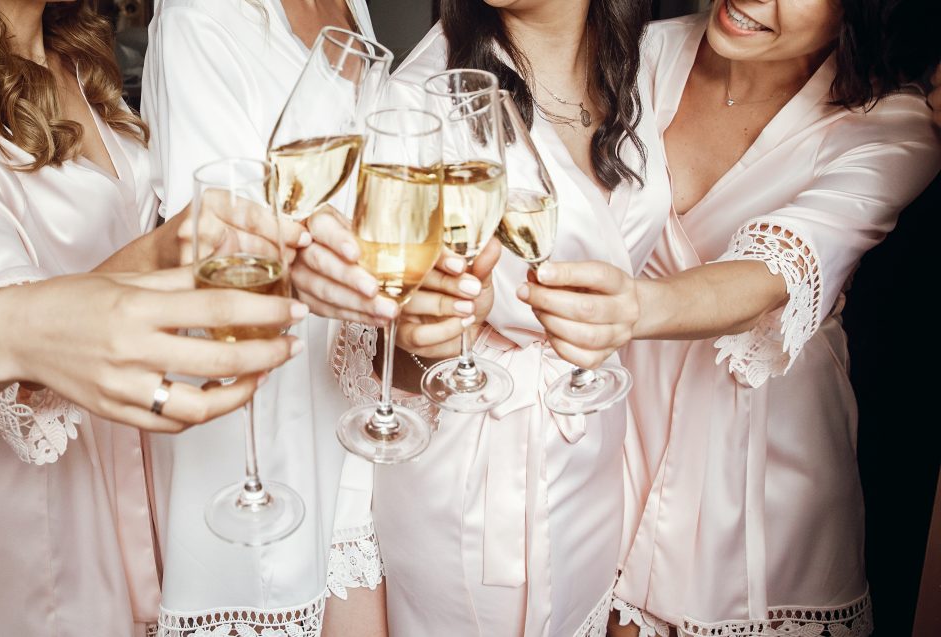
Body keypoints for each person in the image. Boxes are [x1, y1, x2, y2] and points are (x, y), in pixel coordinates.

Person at [0, 0, 305, 632]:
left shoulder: (80, 68)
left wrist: (178, 248)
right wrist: (156, 256)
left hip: (140, 448)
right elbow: (13, 338)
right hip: (38, 502)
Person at [332, 0, 671, 634]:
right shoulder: (423, 96)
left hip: (597, 455)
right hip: (477, 473)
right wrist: (426, 329)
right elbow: (383, 335)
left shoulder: (645, 69)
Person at [603, 2, 941, 635]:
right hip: (610, 421)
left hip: (757, 465)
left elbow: (765, 277)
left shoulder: (892, 127)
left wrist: (626, 308)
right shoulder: (636, 50)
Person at [141, 1, 389, 635]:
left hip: (350, 409)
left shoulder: (348, 5)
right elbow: (222, 246)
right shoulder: (202, 17)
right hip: (260, 424)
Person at [0, 267, 305, 438]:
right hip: (50, 483)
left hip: (133, 442)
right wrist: (12, 331)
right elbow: (26, 376)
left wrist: (162, 247)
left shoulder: (107, 104)